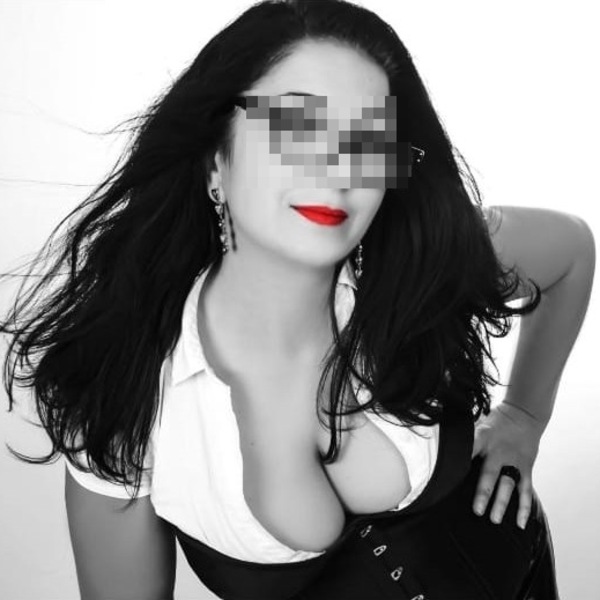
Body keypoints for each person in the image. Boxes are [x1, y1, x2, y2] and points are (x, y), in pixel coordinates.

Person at [6, 0, 594, 597]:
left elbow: (571, 251)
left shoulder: (422, 260)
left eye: (369, 141)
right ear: (215, 159)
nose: (338, 171)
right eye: (298, 127)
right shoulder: (122, 393)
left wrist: (523, 417)